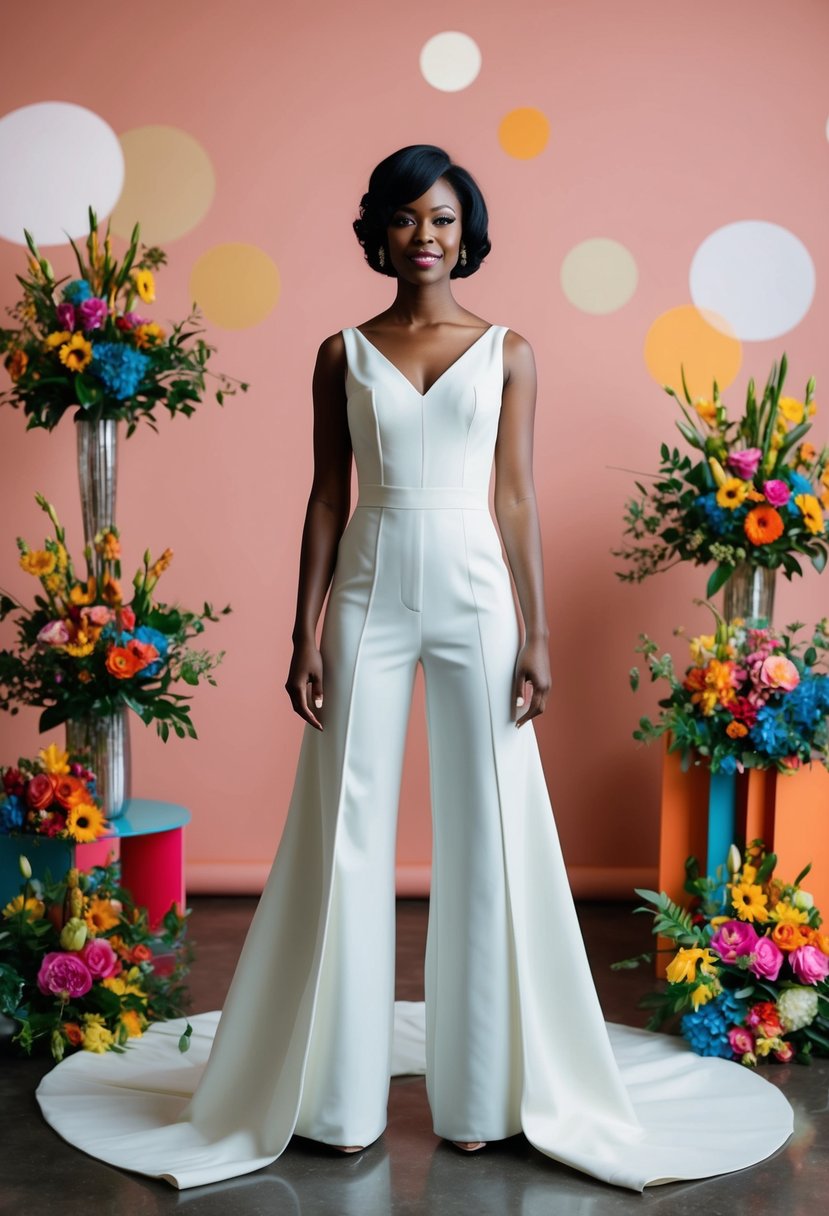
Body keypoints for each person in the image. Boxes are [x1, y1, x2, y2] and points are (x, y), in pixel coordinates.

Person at [36, 144, 794, 1191]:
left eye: (441, 217)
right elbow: (323, 498)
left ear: (466, 230)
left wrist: (535, 630)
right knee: (346, 832)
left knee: (487, 829)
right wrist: (301, 632)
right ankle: (335, 1101)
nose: (423, 235)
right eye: (403, 218)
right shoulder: (338, 353)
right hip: (366, 594)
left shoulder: (509, 352)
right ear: (377, 233)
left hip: (479, 600)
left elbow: (516, 497)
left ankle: (483, 1097)